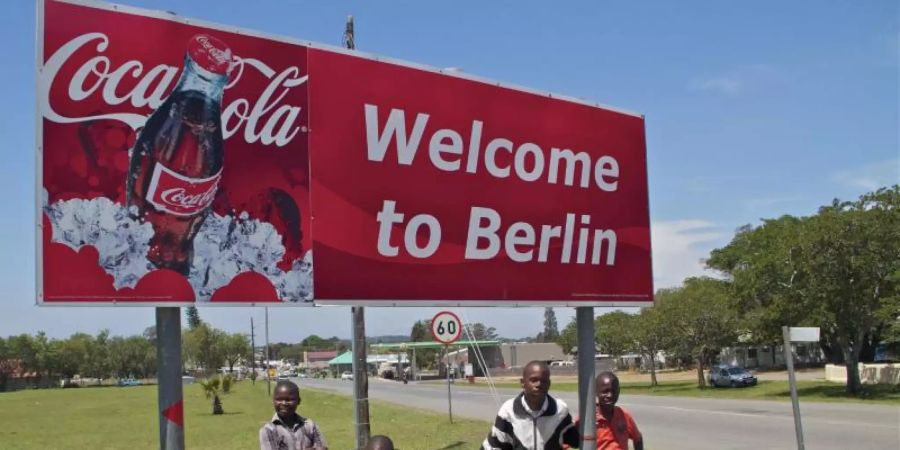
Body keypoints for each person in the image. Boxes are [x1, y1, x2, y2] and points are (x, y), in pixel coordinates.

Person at [481, 361, 580, 449]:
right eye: (533, 380)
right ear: (523, 383)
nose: (539, 384)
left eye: (543, 381)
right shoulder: (508, 411)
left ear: (549, 384)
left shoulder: (560, 410)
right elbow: (493, 445)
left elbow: (576, 440)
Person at [259, 380, 327, 450]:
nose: (284, 403)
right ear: (273, 401)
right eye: (279, 399)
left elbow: (322, 447)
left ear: (298, 401)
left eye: (289, 400)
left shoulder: (309, 425)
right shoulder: (268, 430)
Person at [592, 371, 643, 450]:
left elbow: (638, 439)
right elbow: (567, 440)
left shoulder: (624, 416)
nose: (610, 395)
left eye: (613, 391)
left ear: (618, 391)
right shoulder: (588, 419)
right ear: (596, 392)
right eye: (605, 391)